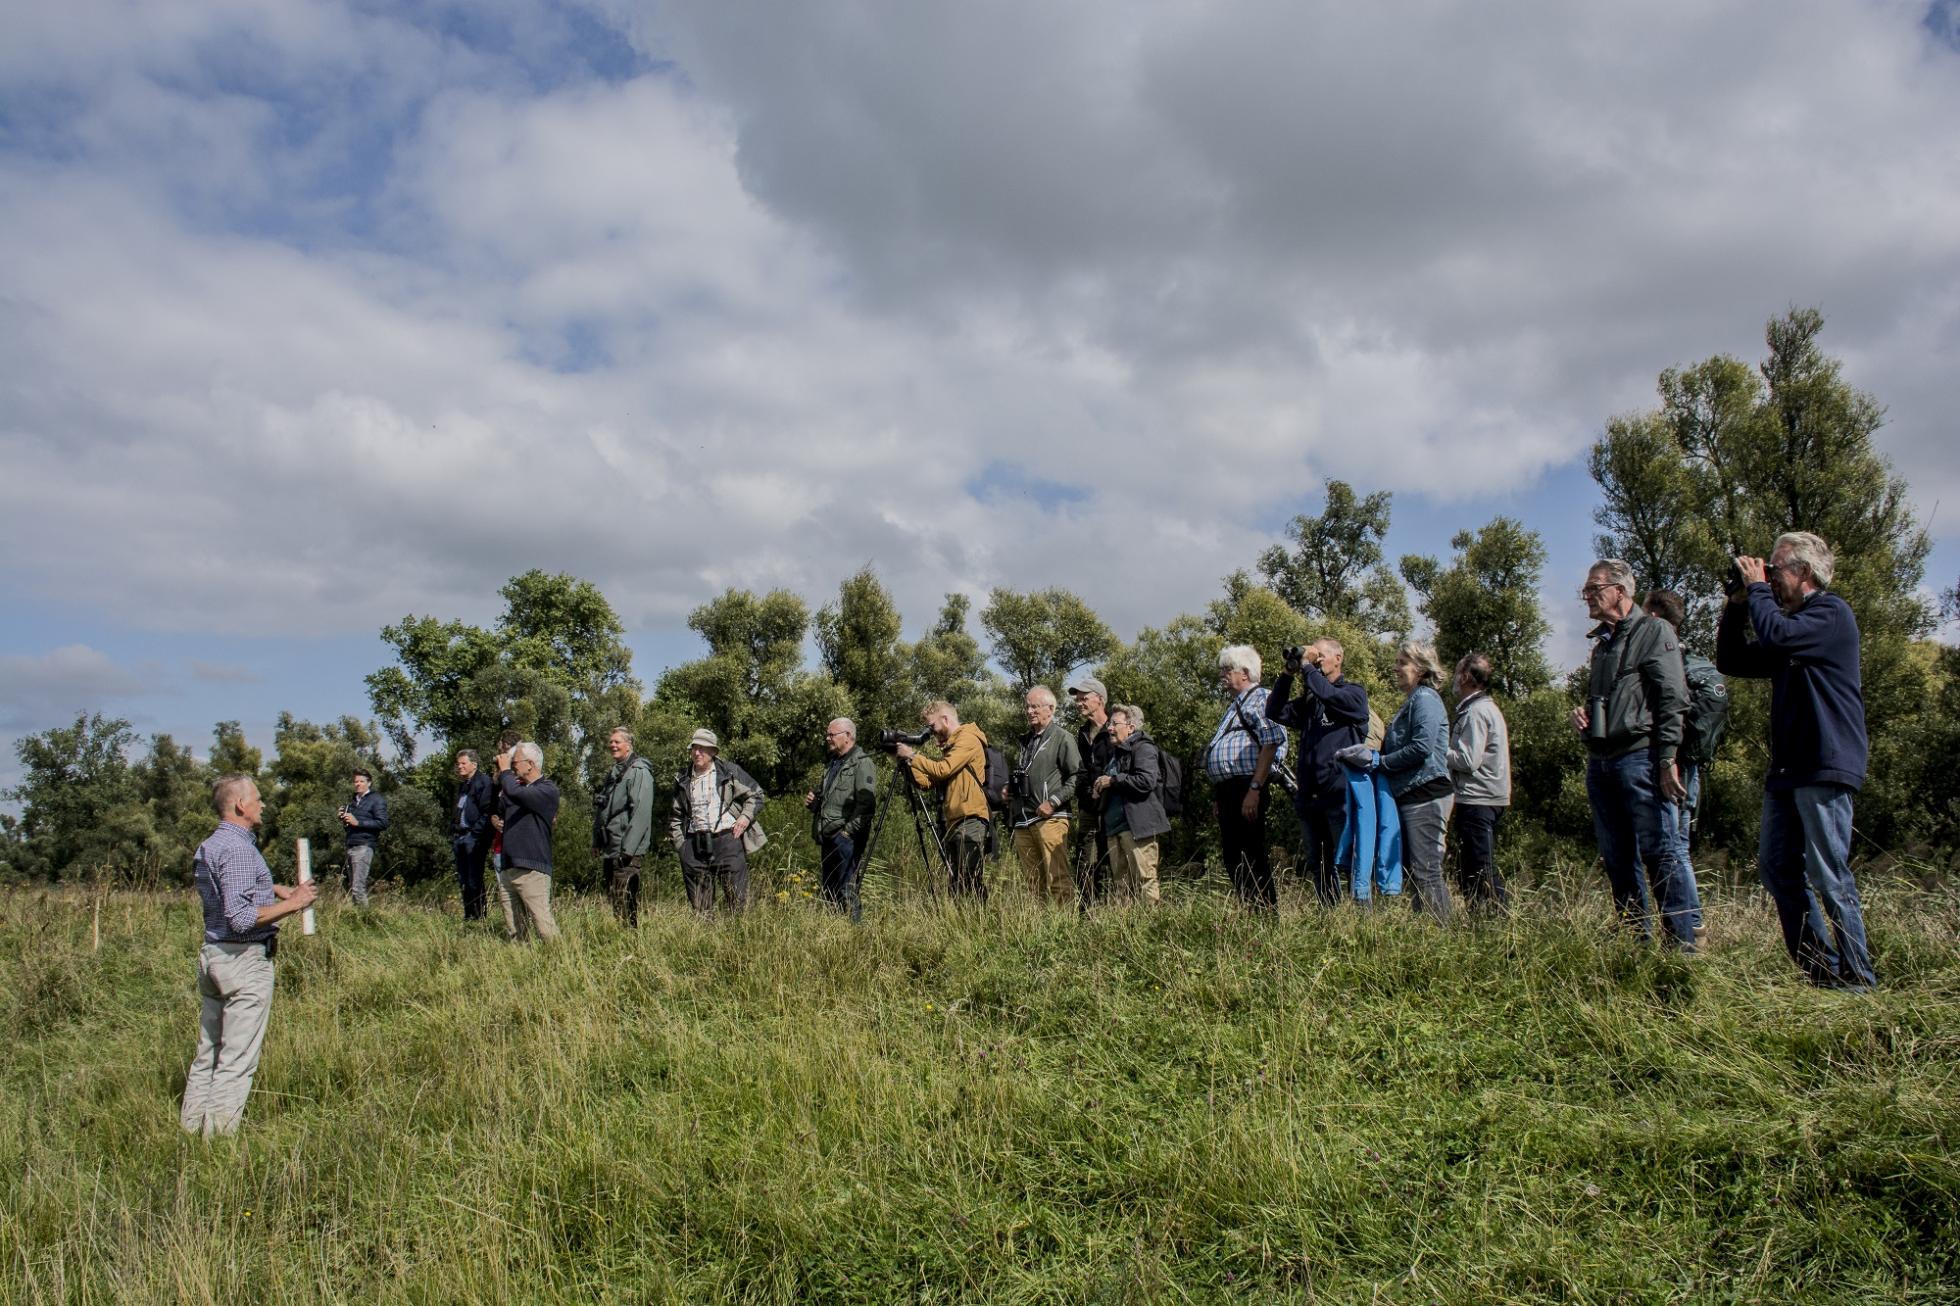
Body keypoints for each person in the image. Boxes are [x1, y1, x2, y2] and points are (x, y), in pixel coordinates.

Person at [1718, 532, 1876, 989]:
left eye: (1775, 567)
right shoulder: (1789, 629)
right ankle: (1823, 973)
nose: (1768, 575)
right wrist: (1737, 604)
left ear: (1804, 572)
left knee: (1829, 874)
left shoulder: (1830, 614)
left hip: (1825, 761)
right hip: (1789, 768)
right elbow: (1732, 659)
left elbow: (1778, 634)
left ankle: (1860, 979)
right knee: (1777, 869)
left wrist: (1759, 592)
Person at [180, 773, 316, 1136]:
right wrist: (296, 904)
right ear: (241, 804)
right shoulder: (240, 849)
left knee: (208, 1052)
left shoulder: (213, 844)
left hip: (214, 956)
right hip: (242, 961)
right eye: (257, 798)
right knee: (236, 1059)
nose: (263, 804)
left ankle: (191, 1131)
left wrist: (272, 888)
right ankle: (217, 1144)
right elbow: (240, 918)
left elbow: (231, 886)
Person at [1574, 559, 1697, 949]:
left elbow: (1673, 699)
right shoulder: (1602, 646)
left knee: (1660, 851)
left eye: (1594, 589)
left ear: (1620, 590)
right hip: (1603, 760)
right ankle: (1635, 941)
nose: (1588, 597)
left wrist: (1666, 760)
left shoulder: (1654, 631)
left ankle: (1681, 946)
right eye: (1587, 591)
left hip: (1641, 758)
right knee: (1616, 856)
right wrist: (1587, 722)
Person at [1643, 589, 1724, 938]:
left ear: (1655, 617)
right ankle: (1692, 922)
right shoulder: (1693, 657)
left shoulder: (1667, 655)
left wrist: (1665, 757)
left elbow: (1668, 708)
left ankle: (1687, 926)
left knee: (1671, 845)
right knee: (1680, 845)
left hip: (1672, 763)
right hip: (1690, 762)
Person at [1267, 638, 1370, 905]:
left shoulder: (1353, 694)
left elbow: (1330, 695)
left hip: (1339, 794)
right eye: (1316, 656)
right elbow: (1274, 710)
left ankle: (1363, 922)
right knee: (1319, 864)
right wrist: (1287, 675)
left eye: (1322, 655)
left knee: (1349, 862)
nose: (1318, 659)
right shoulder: (1311, 703)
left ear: (1339, 658)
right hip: (1310, 797)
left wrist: (1306, 666)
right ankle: (1331, 919)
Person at [1200, 645, 1288, 909]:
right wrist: (1219, 795)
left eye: (1228, 670)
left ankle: (1265, 914)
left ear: (1246, 673)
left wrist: (1255, 788)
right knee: (1232, 855)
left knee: (1251, 853)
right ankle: (1252, 910)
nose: (1222, 675)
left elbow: (1271, 743)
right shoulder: (1235, 705)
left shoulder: (1261, 698)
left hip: (1248, 786)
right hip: (1230, 790)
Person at [1376, 641, 1456, 923]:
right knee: (1417, 871)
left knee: (1426, 871)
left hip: (1426, 794)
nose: (1396, 668)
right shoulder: (1412, 700)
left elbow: (1422, 746)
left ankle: (1440, 940)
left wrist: (1380, 763)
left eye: (1402, 663)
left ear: (1421, 669)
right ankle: (1427, 934)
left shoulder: (1425, 699)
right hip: (1412, 795)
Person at [894, 700, 991, 900]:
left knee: (970, 879)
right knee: (956, 883)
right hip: (954, 820)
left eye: (933, 726)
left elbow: (942, 769)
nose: (932, 732)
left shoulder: (968, 739)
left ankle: (979, 923)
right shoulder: (951, 746)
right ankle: (961, 923)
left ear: (945, 719)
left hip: (971, 818)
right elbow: (927, 783)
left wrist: (912, 755)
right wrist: (901, 758)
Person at [669, 728, 767, 915]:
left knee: (737, 900)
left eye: (703, 749)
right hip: (694, 844)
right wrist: (681, 846)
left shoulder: (729, 771)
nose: (697, 753)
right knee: (700, 905)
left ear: (713, 751)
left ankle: (737, 939)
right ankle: (705, 940)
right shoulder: (682, 777)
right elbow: (675, 815)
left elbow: (756, 794)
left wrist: (745, 818)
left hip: (727, 841)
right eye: (694, 748)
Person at [1446, 653, 1510, 913]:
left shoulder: (1476, 712)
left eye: (1457, 672)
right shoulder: (1482, 708)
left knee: (1480, 866)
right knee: (1471, 867)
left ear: (1465, 677)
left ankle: (1500, 918)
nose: (1453, 678)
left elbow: (1467, 760)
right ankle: (1480, 917)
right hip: (1484, 797)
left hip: (1478, 799)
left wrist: (1436, 750)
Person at [1009, 686, 1082, 907]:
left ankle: (1068, 929)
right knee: (1032, 883)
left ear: (1050, 709)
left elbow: (1077, 777)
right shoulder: (1026, 741)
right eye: (1027, 706)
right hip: (1024, 820)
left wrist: (1053, 801)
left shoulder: (1062, 738)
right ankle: (1035, 932)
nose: (1029, 711)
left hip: (1051, 819)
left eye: (1035, 706)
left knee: (1057, 878)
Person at [1092, 705, 1170, 904]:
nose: (1109, 728)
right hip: (1114, 829)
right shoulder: (1116, 753)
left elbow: (1146, 781)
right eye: (1109, 723)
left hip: (1136, 828)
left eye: (1114, 724)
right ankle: (1124, 930)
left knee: (1145, 880)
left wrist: (1113, 780)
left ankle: (1150, 929)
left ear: (1131, 727)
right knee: (1121, 884)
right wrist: (1100, 788)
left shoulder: (1144, 748)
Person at [805, 718, 877, 921]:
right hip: (827, 836)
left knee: (847, 888)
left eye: (832, 734)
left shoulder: (862, 763)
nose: (828, 738)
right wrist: (814, 803)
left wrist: (846, 833)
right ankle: (834, 933)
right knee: (829, 889)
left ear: (848, 736)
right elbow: (829, 800)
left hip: (846, 839)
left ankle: (856, 933)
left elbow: (867, 806)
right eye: (827, 734)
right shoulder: (833, 764)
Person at [496, 741, 561, 942]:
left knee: (544, 926)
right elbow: (497, 804)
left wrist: (505, 772)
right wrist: (499, 776)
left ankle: (561, 961)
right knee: (514, 931)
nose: (513, 765)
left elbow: (515, 793)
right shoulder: (518, 789)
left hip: (532, 868)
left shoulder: (547, 790)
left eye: (515, 761)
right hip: (509, 867)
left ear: (530, 764)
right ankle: (522, 966)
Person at [592, 726, 657, 927]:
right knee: (614, 898)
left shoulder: (639, 771)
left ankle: (631, 942)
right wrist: (597, 840)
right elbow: (603, 809)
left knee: (626, 898)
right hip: (611, 846)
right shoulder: (614, 773)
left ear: (628, 746)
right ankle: (622, 941)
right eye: (611, 741)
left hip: (625, 849)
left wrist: (628, 848)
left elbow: (641, 812)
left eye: (617, 741)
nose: (612, 745)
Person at [1067, 676, 1116, 906]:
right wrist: (1087, 793)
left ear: (1100, 699)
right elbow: (1080, 770)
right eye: (1077, 699)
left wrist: (1105, 789)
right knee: (1085, 860)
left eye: (1084, 698)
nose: (1079, 703)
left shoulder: (1115, 729)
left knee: (1114, 859)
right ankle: (1087, 911)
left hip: (1113, 807)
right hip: (1088, 807)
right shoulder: (1082, 733)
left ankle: (1114, 911)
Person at [451, 749, 495, 923]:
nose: (459, 766)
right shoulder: (463, 785)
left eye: (463, 763)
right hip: (459, 837)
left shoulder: (483, 782)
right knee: (462, 879)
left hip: (473, 838)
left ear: (474, 765)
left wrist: (475, 834)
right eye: (458, 763)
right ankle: (468, 915)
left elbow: (486, 812)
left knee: (473, 879)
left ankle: (479, 917)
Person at [487, 727, 522, 940]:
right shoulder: (498, 780)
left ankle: (528, 933)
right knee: (506, 894)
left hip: (520, 846)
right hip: (500, 846)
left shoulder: (525, 779)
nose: (503, 756)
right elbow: (492, 805)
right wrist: (492, 817)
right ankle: (513, 935)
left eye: (507, 751)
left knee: (523, 893)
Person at [337, 768, 389, 906]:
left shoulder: (376, 800)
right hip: (351, 844)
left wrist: (358, 822)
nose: (358, 784)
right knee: (352, 887)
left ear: (369, 783)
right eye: (356, 781)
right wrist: (345, 819)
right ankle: (358, 919)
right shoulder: (353, 801)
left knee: (358, 888)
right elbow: (350, 826)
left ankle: (366, 920)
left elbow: (383, 823)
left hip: (364, 845)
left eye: (361, 781)